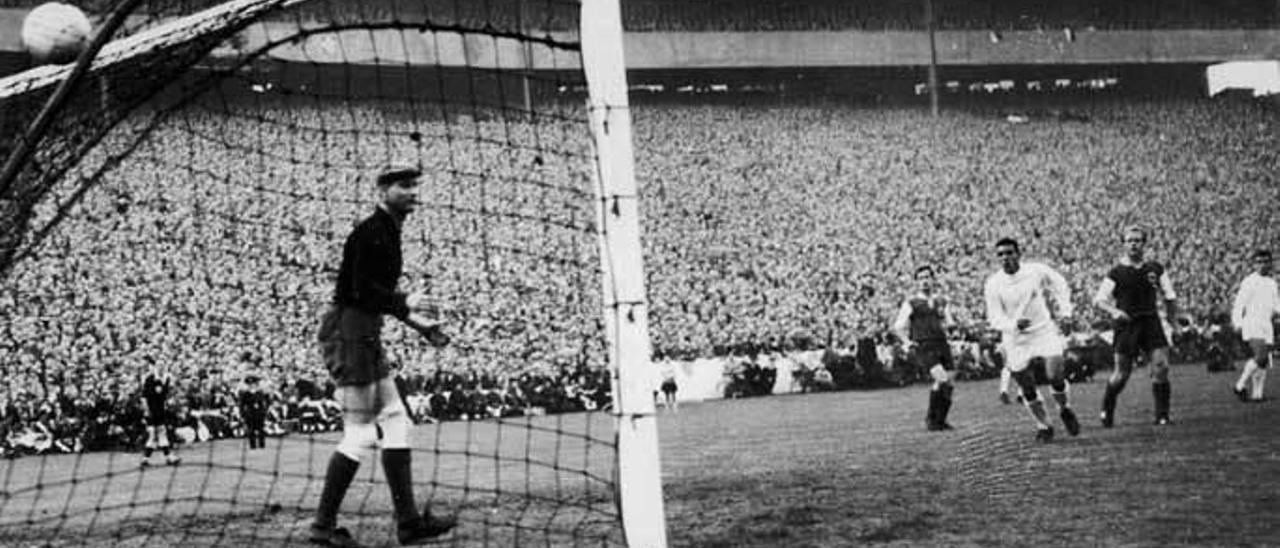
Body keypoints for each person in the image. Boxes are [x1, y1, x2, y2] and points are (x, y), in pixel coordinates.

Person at [310, 166, 456, 548]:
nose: (413, 192)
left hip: (363, 330)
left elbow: (373, 296)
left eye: (414, 186)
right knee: (359, 434)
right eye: (404, 186)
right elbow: (359, 290)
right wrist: (404, 300)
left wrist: (419, 324)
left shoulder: (388, 231)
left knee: (395, 420)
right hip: (349, 332)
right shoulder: (369, 233)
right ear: (383, 190)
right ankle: (322, 527)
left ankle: (408, 523)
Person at [984, 237, 1081, 442]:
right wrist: (1012, 325)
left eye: (1009, 253)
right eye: (1000, 254)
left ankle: (1065, 408)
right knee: (1026, 386)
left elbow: (1060, 284)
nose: (1005, 258)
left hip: (1043, 331)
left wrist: (1065, 312)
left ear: (1019, 254)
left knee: (1055, 374)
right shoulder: (993, 284)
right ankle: (1044, 425)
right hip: (1015, 339)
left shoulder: (1035, 271)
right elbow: (994, 317)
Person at [1093, 226, 1179, 427]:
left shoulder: (1155, 269)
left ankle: (1162, 415)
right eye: (1130, 240)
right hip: (1127, 324)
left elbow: (1170, 297)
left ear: (1144, 244)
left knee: (1161, 366)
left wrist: (1173, 323)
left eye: (1138, 240)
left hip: (1151, 321)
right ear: (1124, 244)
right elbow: (1099, 300)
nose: (1134, 244)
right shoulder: (1116, 272)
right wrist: (1115, 312)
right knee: (1122, 374)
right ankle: (1108, 405)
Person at [893, 265, 958, 431]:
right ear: (916, 282)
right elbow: (898, 327)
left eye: (927, 277)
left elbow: (950, 322)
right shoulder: (912, 303)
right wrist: (907, 342)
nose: (924, 281)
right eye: (921, 278)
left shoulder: (941, 301)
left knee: (949, 383)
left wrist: (951, 325)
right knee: (941, 379)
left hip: (941, 343)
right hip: (924, 345)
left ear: (933, 279)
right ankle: (931, 419)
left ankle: (941, 420)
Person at [1231, 249, 1280, 402]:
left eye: (1266, 261)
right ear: (1254, 264)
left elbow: (1276, 305)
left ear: (1270, 263)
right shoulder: (1249, 282)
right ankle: (1239, 385)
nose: (1262, 265)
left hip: (1266, 324)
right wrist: (1237, 322)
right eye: (1259, 262)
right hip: (1252, 323)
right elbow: (1239, 304)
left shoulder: (1272, 283)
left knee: (1264, 361)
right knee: (1261, 356)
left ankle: (1257, 394)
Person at [139, 360, 181, 466]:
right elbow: (143, 397)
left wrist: (167, 402)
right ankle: (148, 458)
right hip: (151, 411)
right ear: (156, 367)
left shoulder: (166, 379)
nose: (161, 368)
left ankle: (160, 458)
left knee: (161, 432)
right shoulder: (150, 379)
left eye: (163, 366)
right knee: (153, 434)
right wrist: (146, 411)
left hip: (160, 411)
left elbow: (164, 396)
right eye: (159, 366)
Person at [239, 375, 270, 450]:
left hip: (259, 413)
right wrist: (243, 415)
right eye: (250, 384)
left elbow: (264, 403)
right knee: (251, 430)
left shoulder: (260, 393)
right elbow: (242, 405)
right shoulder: (245, 394)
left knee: (261, 429)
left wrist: (264, 412)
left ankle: (262, 444)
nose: (252, 386)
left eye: (254, 384)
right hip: (250, 413)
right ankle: (252, 445)